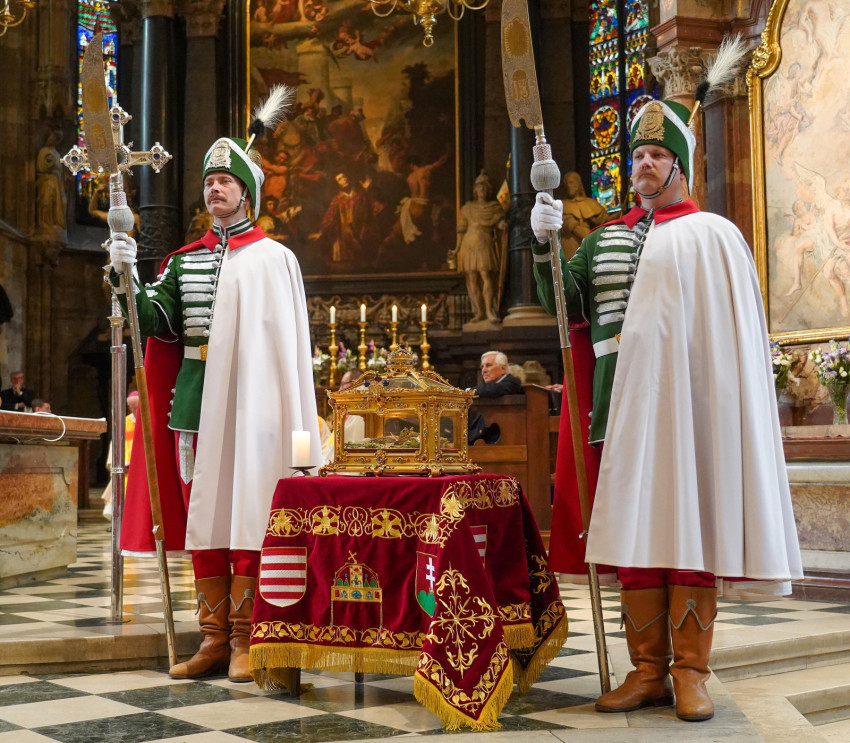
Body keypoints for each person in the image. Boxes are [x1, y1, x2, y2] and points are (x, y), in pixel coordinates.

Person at [530, 98, 802, 722]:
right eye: (638, 157)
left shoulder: (713, 235)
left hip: (688, 410)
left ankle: (690, 674)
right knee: (634, 536)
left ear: (680, 167)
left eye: (657, 155)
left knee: (689, 534)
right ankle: (647, 671)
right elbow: (565, 305)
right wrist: (543, 243)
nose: (645, 166)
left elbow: (725, 338)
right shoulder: (602, 239)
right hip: (615, 407)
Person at [107, 119, 320, 684]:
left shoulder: (276, 258)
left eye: (226, 181)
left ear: (247, 192)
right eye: (209, 182)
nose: (215, 189)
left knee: (250, 511)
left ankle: (248, 638)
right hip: (196, 404)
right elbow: (155, 322)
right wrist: (127, 274)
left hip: (256, 407)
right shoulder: (183, 260)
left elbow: (287, 349)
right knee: (205, 517)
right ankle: (213, 639)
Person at [454, 171, 506, 324]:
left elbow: (499, 223)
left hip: (484, 242)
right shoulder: (467, 208)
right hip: (468, 244)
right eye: (479, 187)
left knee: (486, 276)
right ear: (475, 190)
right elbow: (461, 230)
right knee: (472, 278)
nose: (481, 190)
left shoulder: (494, 208)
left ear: (488, 190)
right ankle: (478, 311)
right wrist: (457, 249)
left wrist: (502, 225)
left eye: (484, 187)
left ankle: (489, 310)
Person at [468, 351, 522, 445]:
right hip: (479, 443)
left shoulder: (512, 383)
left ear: (503, 369)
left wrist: (467, 392)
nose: (484, 370)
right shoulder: (488, 390)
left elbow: (493, 389)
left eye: (488, 365)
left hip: (498, 445)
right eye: (482, 367)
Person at [102, 391, 139, 519]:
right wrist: (115, 463)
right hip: (126, 468)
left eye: (136, 408)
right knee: (118, 479)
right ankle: (117, 518)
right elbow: (115, 444)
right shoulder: (124, 422)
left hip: (142, 469)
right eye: (131, 408)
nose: (134, 411)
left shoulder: (149, 420)